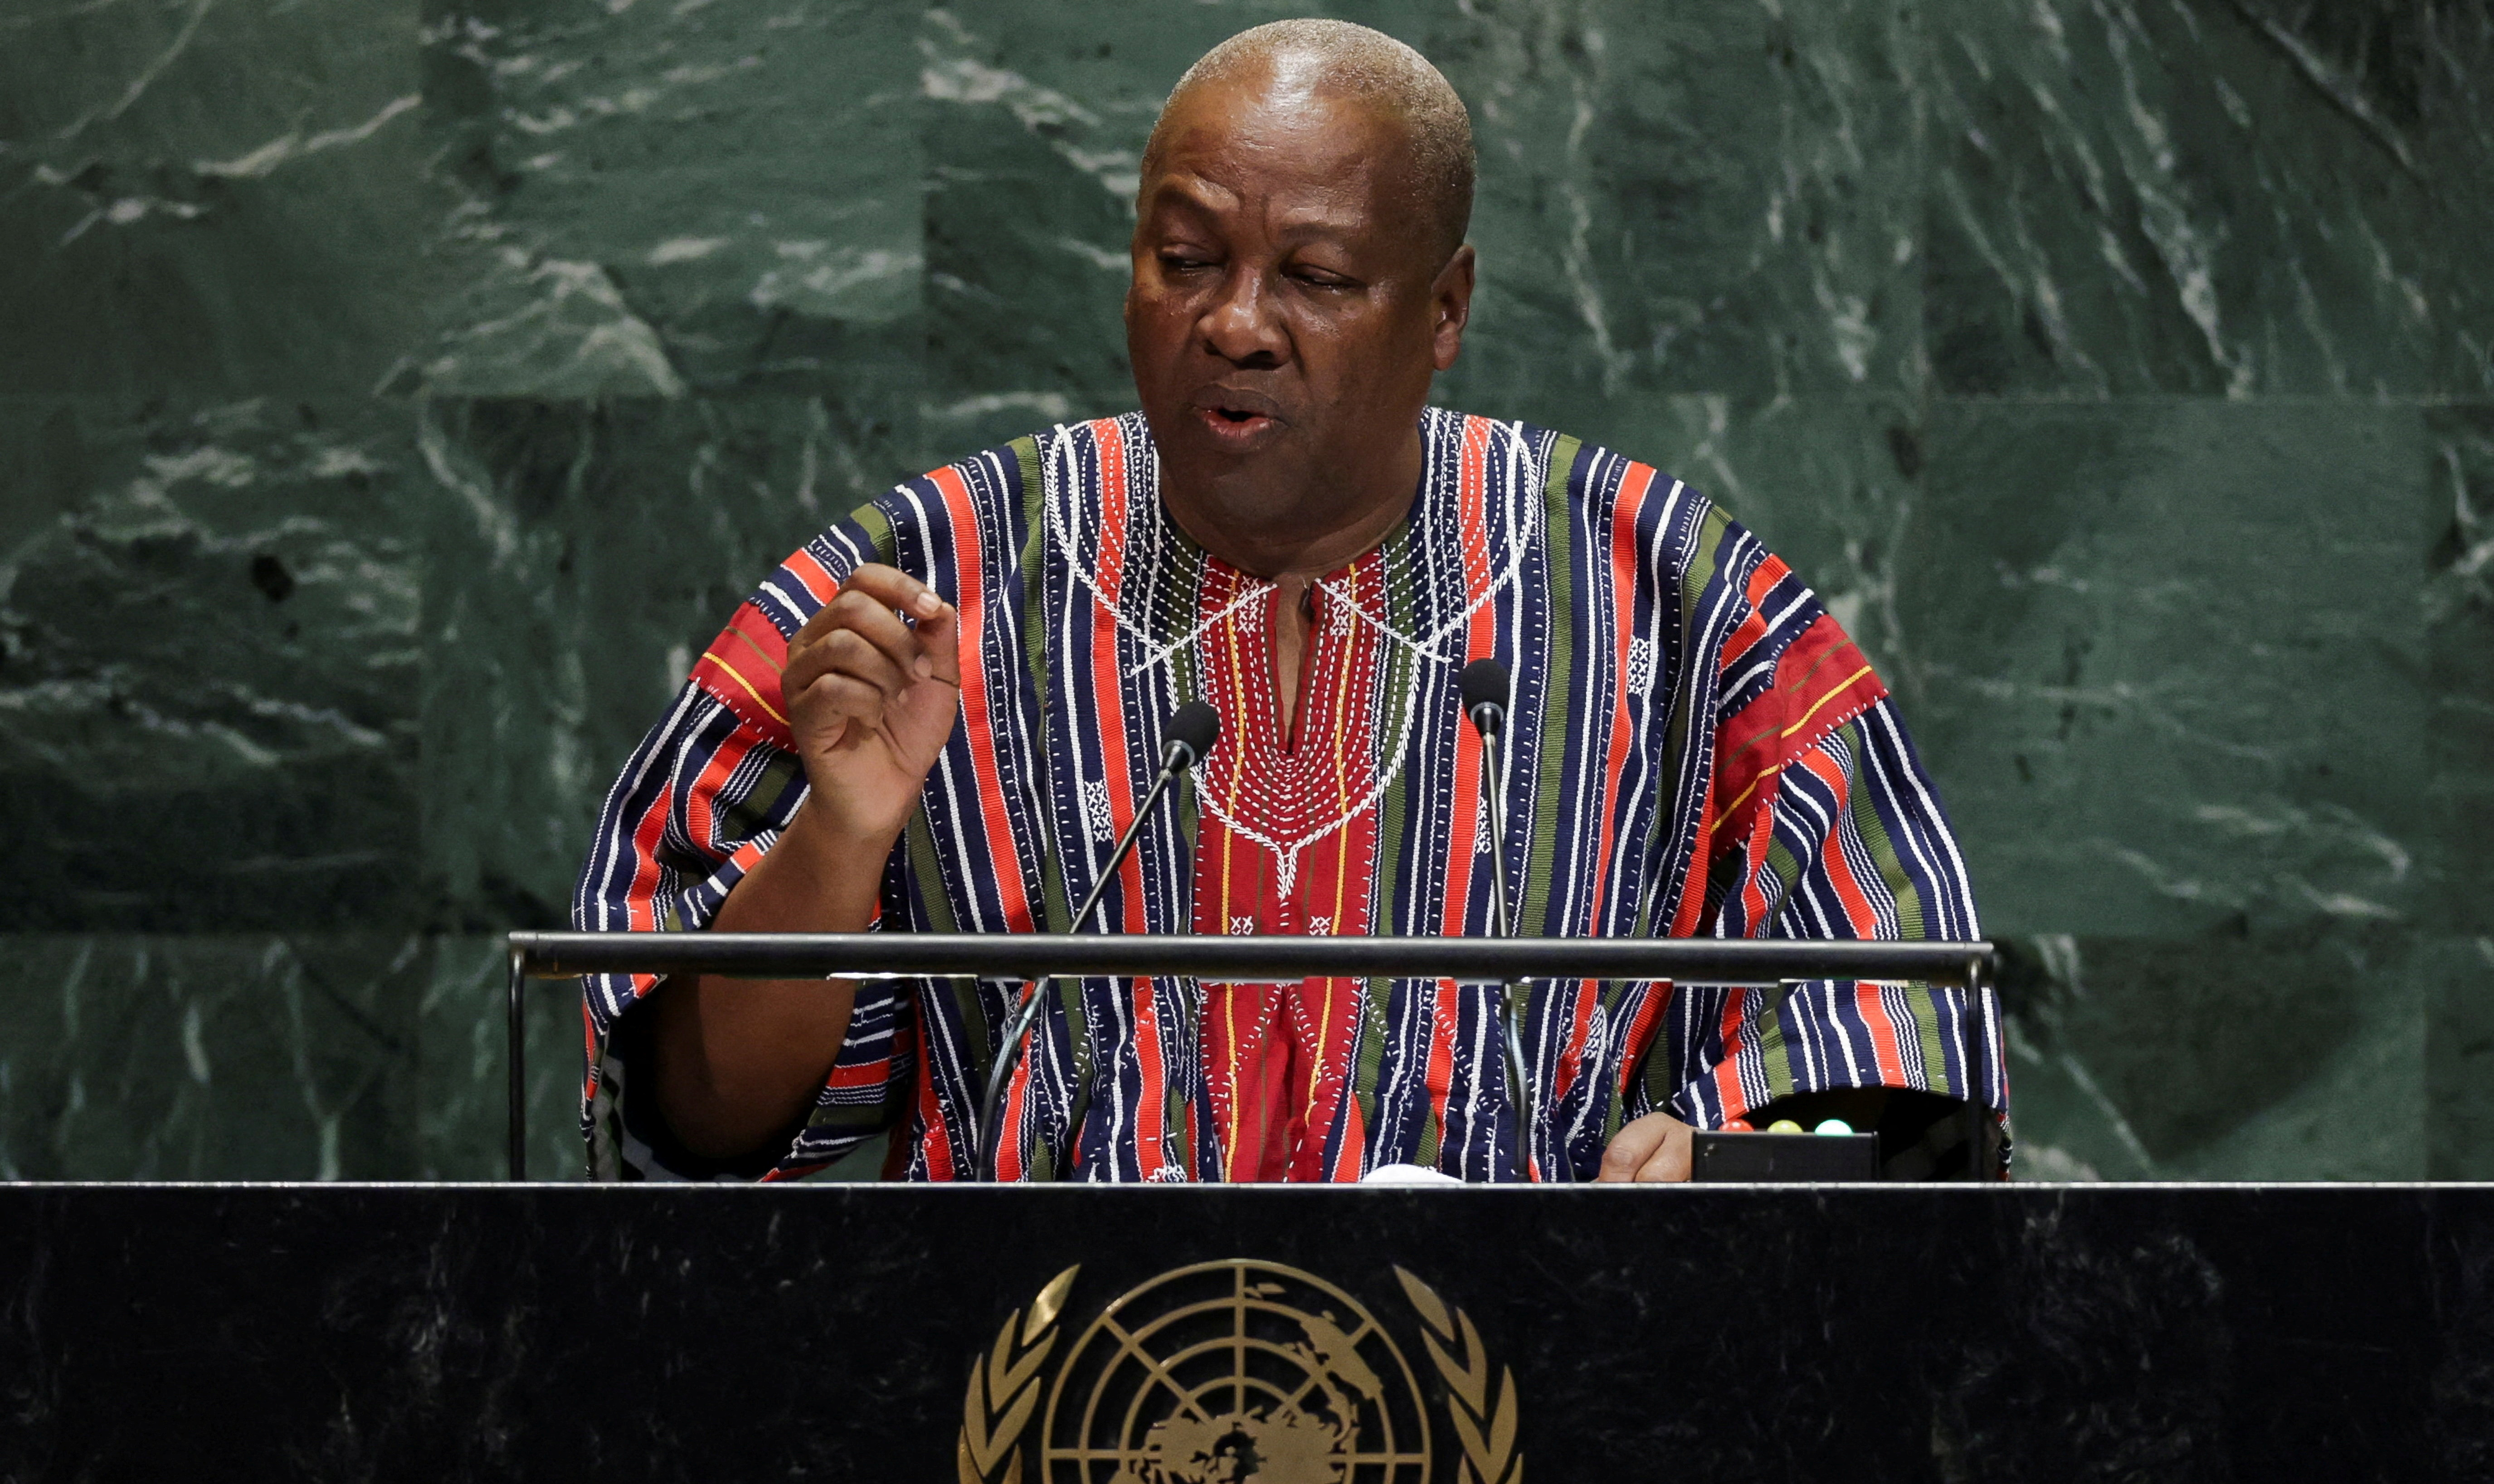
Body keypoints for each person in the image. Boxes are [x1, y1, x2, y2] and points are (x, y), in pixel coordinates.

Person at [573, 19, 2007, 1183]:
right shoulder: (919, 581)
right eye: (1184, 257)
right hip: (1031, 1427)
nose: (1235, 322)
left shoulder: (1669, 590)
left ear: (1442, 312)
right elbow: (686, 1123)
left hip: (1532, 1420)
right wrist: (839, 838)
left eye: (1314, 276)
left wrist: (1731, 1159)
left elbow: (1911, 1092)